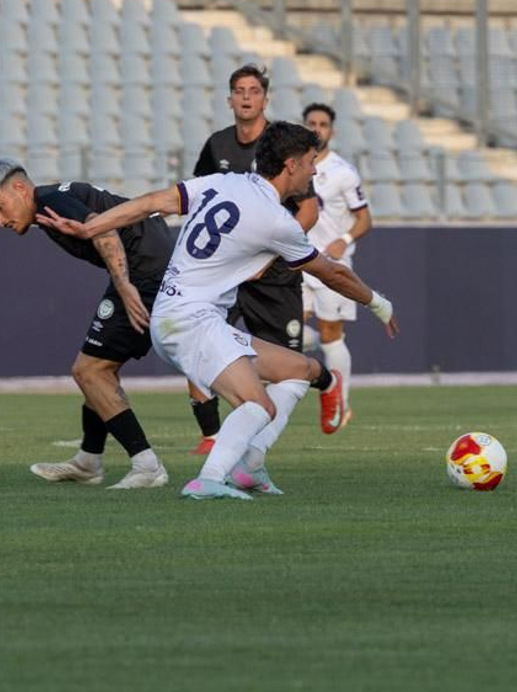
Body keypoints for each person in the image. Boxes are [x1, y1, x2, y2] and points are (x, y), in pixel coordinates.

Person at [39, 121, 400, 500]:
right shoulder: (276, 220)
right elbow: (332, 273)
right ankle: (208, 480)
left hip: (182, 315)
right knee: (258, 405)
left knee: (301, 369)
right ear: (291, 164)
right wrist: (378, 303)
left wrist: (90, 226)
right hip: (191, 322)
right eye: (311, 162)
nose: (314, 171)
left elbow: (149, 203)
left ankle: (251, 466)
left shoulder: (220, 183)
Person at [0, 159, 171, 490]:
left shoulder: (49, 200)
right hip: (150, 265)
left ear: (19, 188)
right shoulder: (55, 201)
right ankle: (89, 460)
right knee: (98, 369)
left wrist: (123, 283)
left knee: (89, 371)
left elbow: (103, 228)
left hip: (145, 271)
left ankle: (146, 464)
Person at [187, 64, 319, 454]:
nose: (246, 97)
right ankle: (212, 437)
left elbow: (309, 210)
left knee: (290, 366)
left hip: (274, 277)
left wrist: (272, 252)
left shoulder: (282, 145)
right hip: (226, 276)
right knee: (199, 346)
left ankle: (254, 444)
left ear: (265, 98)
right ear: (229, 99)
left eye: (253, 91)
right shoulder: (217, 146)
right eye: (239, 91)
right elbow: (200, 197)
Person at [300, 102, 373, 434]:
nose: (317, 129)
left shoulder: (344, 172)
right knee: (288, 330)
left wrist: (343, 239)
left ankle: (340, 402)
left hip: (332, 266)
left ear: (332, 130)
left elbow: (365, 218)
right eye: (311, 123)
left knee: (331, 334)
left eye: (323, 124)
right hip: (298, 262)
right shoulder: (294, 166)